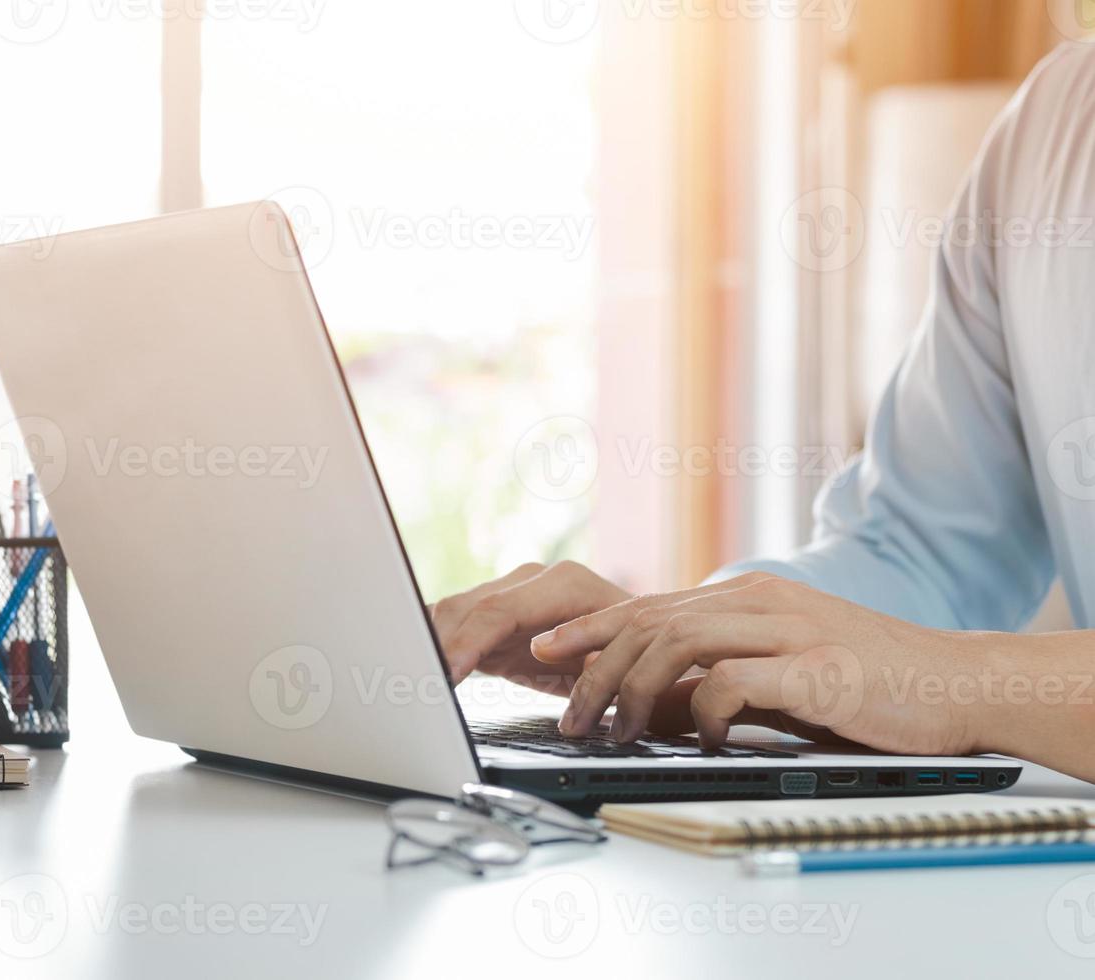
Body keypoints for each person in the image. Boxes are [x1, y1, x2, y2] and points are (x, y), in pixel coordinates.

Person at [433, 43, 1095, 783]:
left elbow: (924, 660)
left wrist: (958, 681)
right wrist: (669, 642)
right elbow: (919, 557)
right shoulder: (1058, 121)